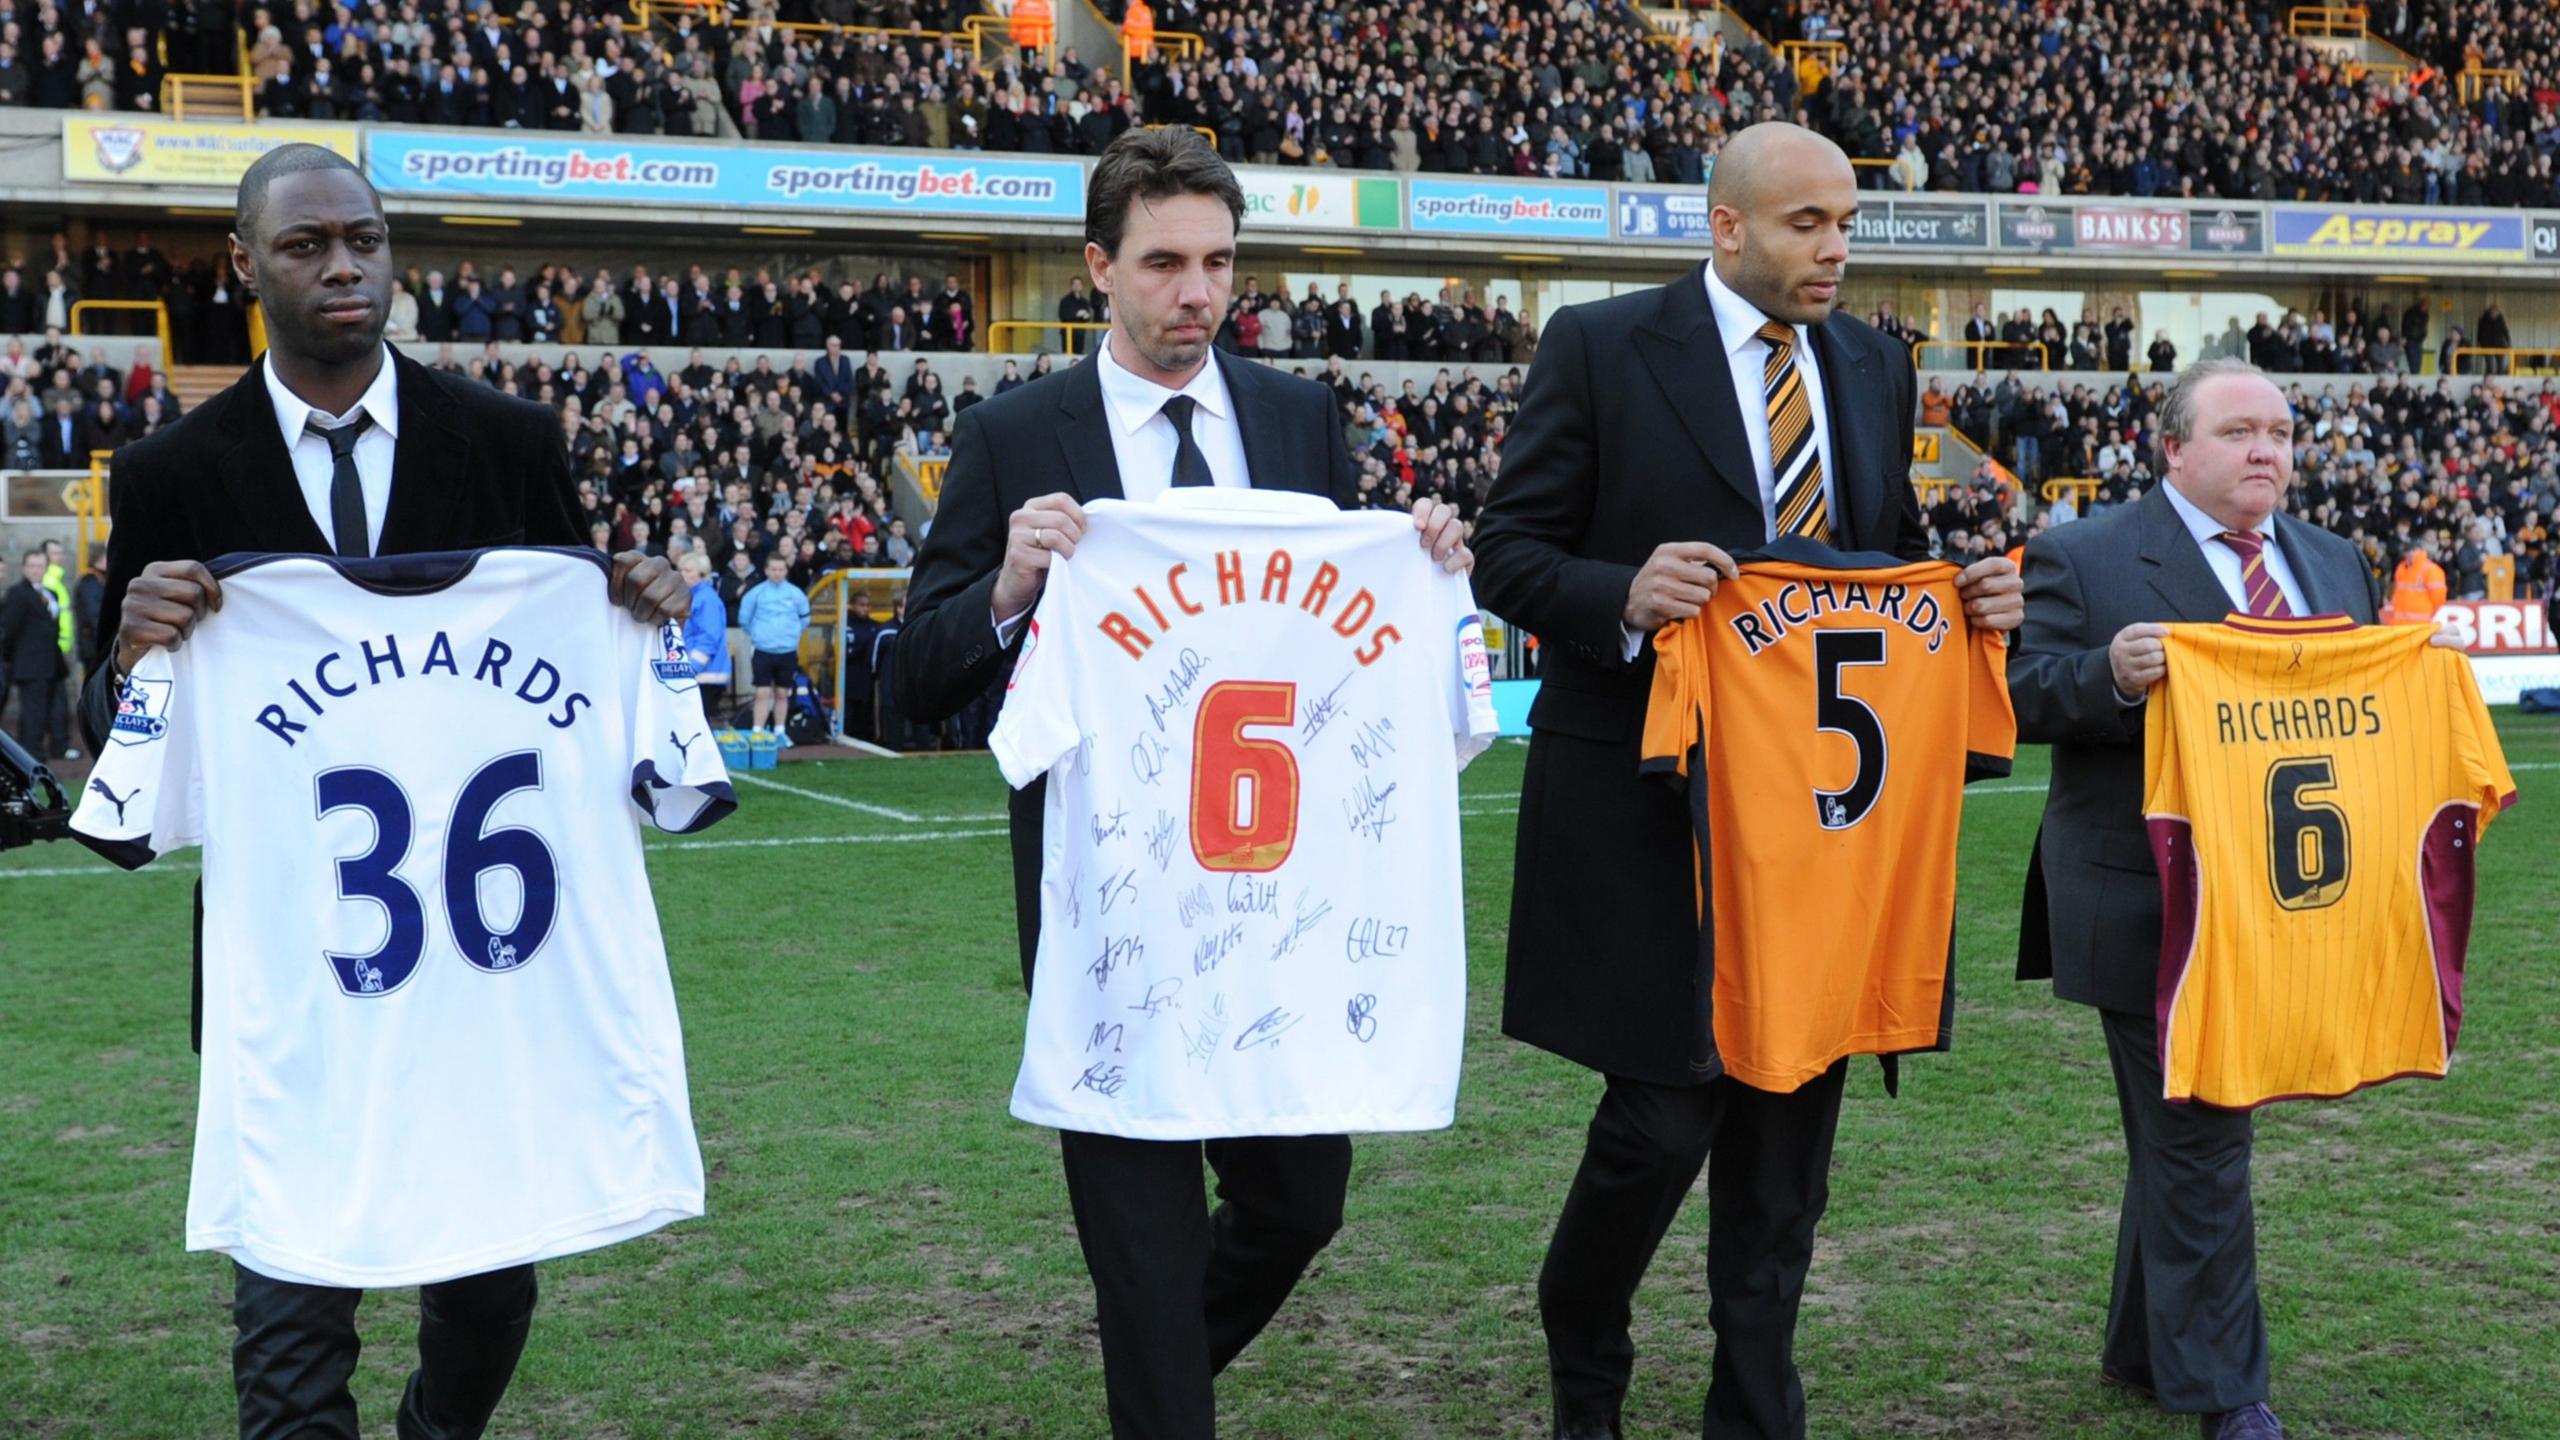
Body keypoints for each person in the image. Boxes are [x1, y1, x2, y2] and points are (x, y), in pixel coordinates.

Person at [78, 143, 689, 1440]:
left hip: (488, 970)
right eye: (305, 244)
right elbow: (114, 757)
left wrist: (630, 603)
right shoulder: (170, 475)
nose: (343, 263)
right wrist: (130, 651)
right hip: (282, 970)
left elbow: (567, 662)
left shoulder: (510, 443)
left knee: (489, 1284)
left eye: (363, 236)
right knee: (291, 1329)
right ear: (245, 264)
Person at [892, 125, 1467, 1440]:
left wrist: (1422, 551)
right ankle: (1158, 1396)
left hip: (1283, 922)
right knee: (1144, 1270)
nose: (1196, 292)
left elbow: (1332, 637)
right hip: (1112, 929)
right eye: (1163, 263)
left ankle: (1154, 1389)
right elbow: (914, 675)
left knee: (1298, 1209)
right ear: (1100, 267)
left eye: (1217, 261)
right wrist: (1011, 588)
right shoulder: (1011, 434)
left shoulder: (1298, 417)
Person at [1466, 122, 2024, 1440]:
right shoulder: (1601, 346)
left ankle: (1757, 1404)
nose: (1837, 248)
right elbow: (1507, 553)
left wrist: (1967, 590)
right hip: (1652, 807)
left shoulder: (1877, 365)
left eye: (1846, 222)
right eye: (1806, 224)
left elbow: (1880, 557)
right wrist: (1622, 594)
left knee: (1789, 1132)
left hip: (1827, 818)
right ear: (1725, 226)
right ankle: (1584, 1341)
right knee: (1664, 1116)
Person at [2006, 358, 2397, 1440]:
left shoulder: (2332, 562)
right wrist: (2108, 677)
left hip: (2284, 900)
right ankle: (2229, 1395)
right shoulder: (2081, 551)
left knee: (2179, 1138)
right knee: (2201, 1135)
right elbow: (2012, 695)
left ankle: (2141, 1350)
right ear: (2172, 448)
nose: (2267, 449)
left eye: (2279, 430)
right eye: (2238, 431)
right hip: (2149, 908)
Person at [0, 547, 68, 758]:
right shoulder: (17, 593)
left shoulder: (51, 593)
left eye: (40, 566)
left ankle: (40, 751)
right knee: (32, 713)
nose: (36, 570)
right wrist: (8, 659)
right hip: (29, 664)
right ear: (23, 567)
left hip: (51, 664)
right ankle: (30, 755)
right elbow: (8, 629)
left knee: (47, 710)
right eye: (32, 566)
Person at [737, 551, 808, 739]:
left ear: (786, 571)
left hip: (787, 651)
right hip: (763, 650)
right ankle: (758, 731)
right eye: (773, 569)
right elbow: (744, 619)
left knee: (783, 693)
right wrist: (759, 635)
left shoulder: (795, 594)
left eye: (781, 569)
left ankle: (780, 731)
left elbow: (805, 618)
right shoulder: (756, 593)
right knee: (761, 692)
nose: (777, 573)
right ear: (767, 570)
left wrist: (790, 635)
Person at [678, 549, 731, 724]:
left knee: (698, 723)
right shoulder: (695, 597)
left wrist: (692, 667)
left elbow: (709, 637)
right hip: (702, 671)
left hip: (706, 672)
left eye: (688, 570)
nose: (683, 574)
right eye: (681, 570)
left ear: (701, 574)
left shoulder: (705, 599)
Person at [2386, 539, 2447, 622]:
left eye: (2413, 551)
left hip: (2420, 623)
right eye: (2407, 551)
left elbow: (2439, 598)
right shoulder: (2401, 568)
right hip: (2400, 622)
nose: (2410, 554)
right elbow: (2396, 593)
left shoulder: (2430, 569)